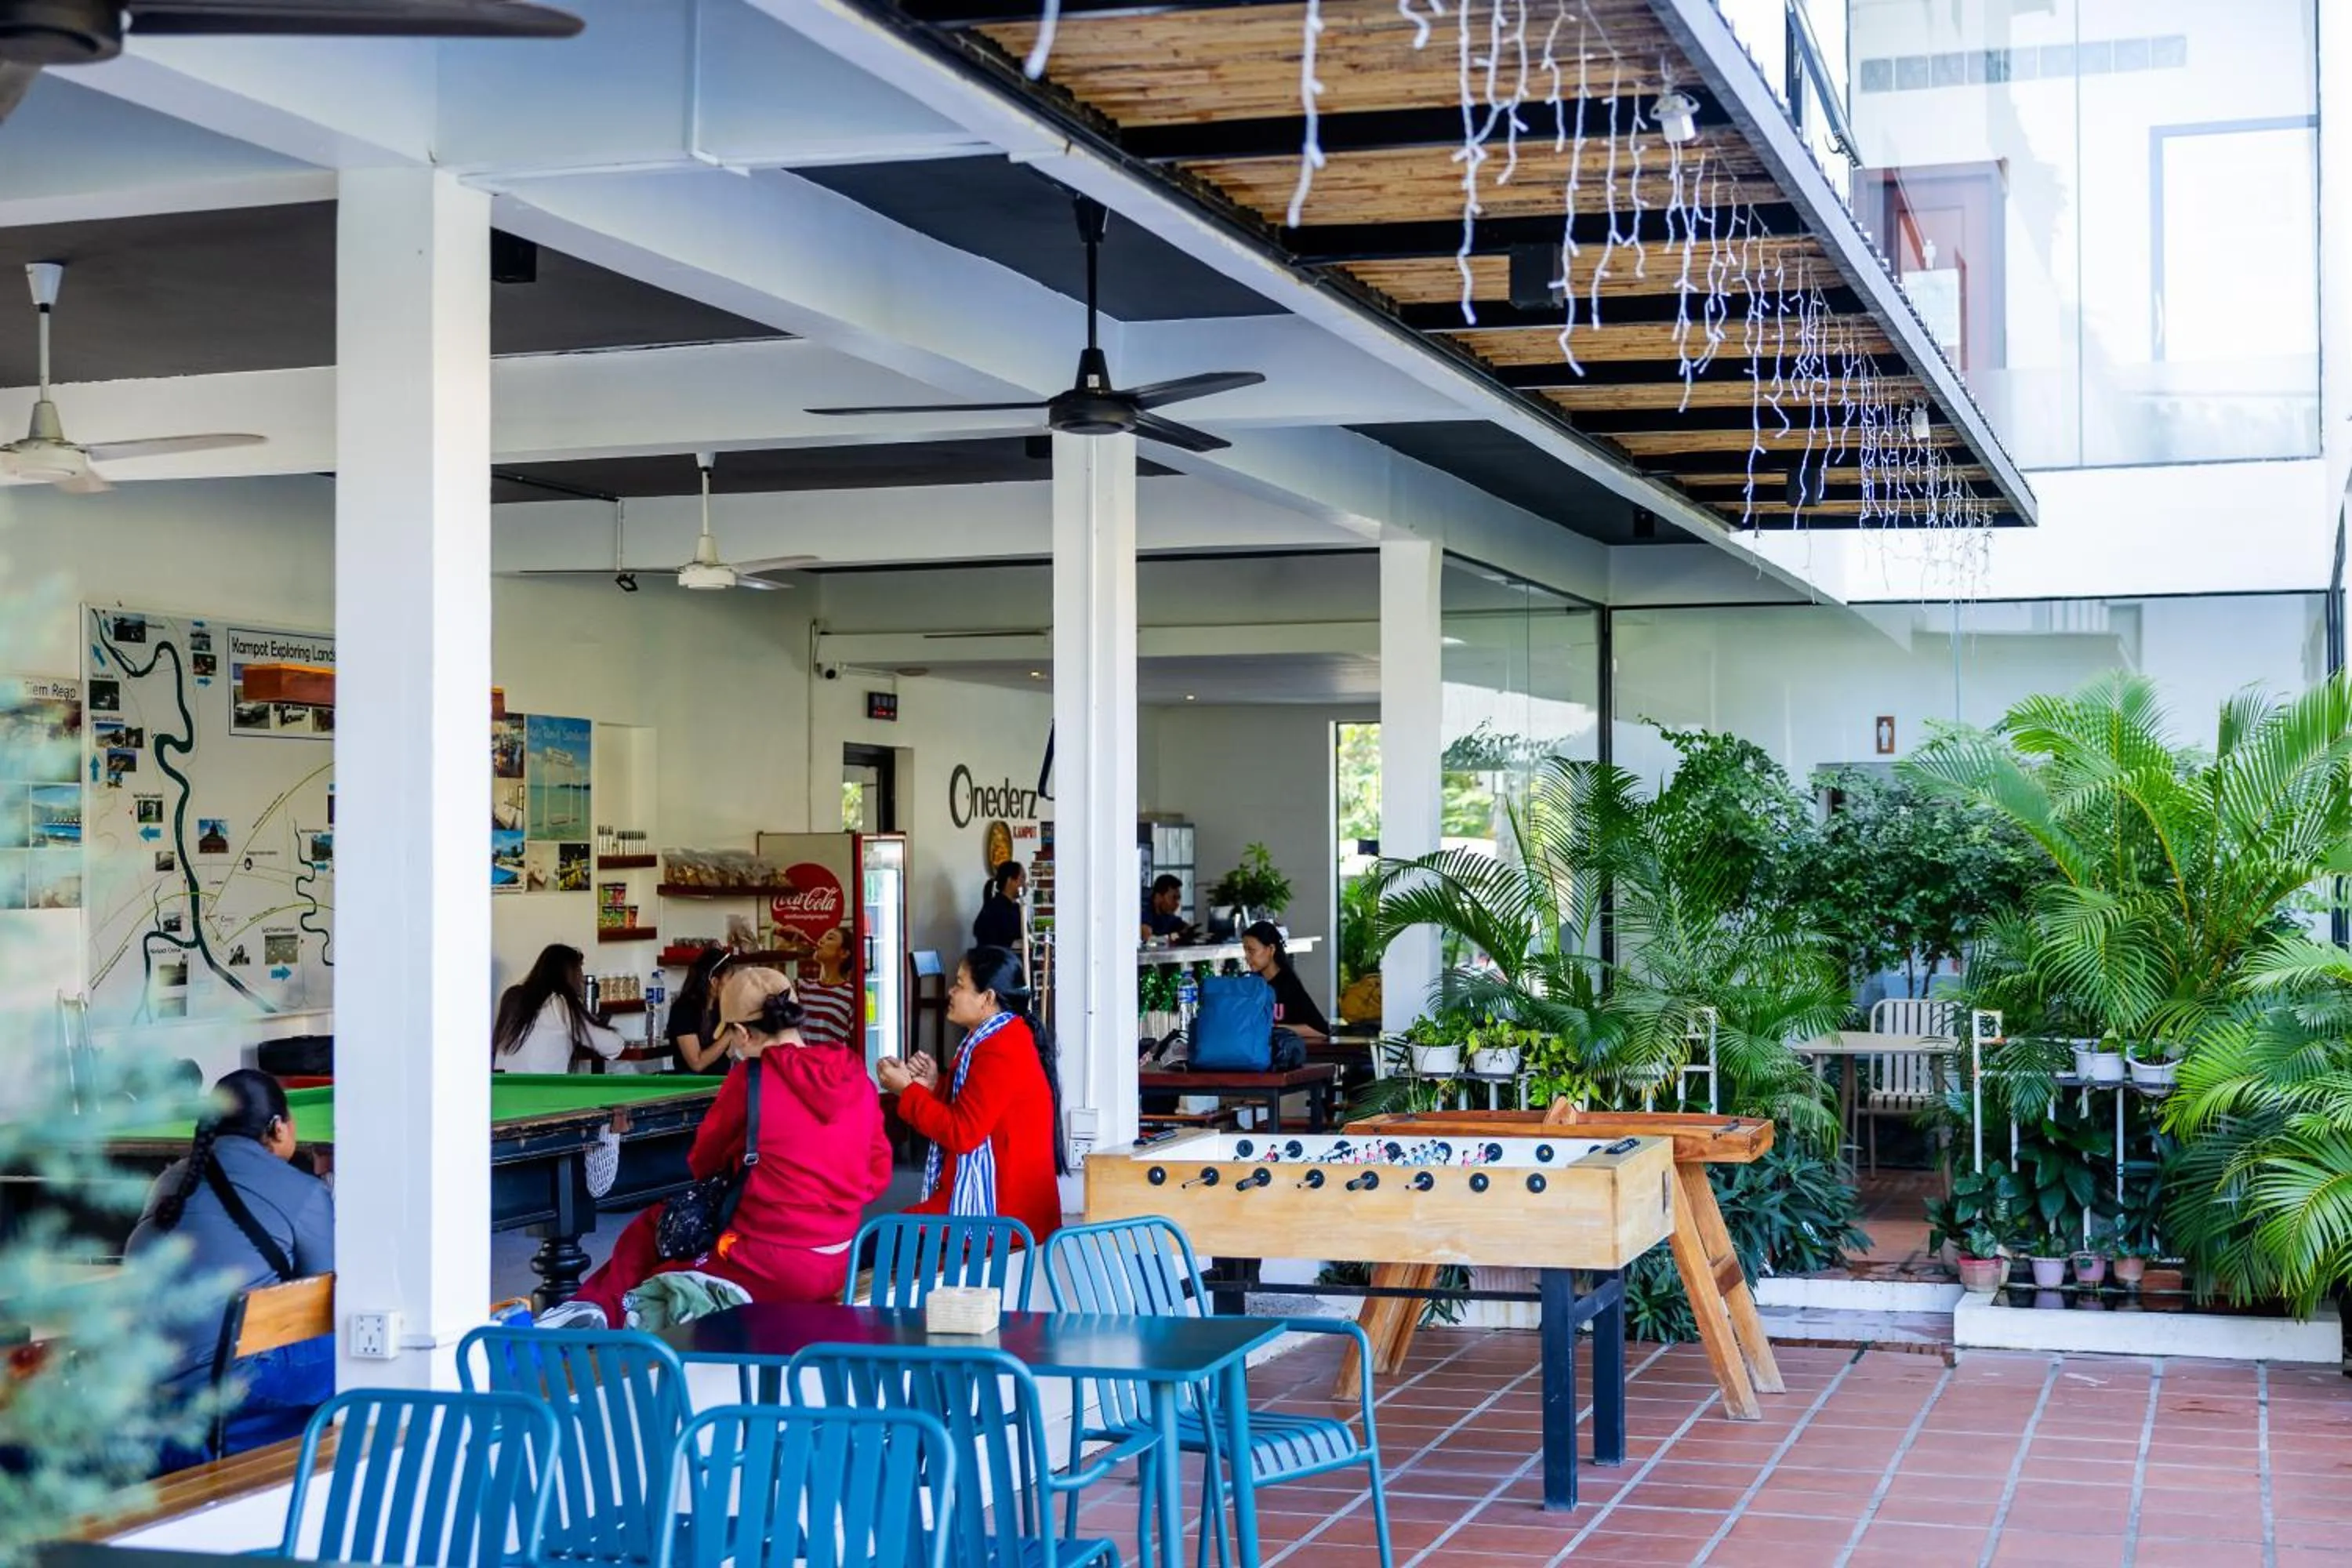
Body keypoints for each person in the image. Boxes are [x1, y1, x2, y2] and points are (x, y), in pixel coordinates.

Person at [555, 967, 895, 1327]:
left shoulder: (750, 1079)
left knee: (657, 1226)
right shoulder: (854, 1073)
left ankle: (603, 1307)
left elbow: (704, 1162)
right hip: (839, 1255)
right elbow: (877, 1176)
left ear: (743, 1033)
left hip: (765, 1262)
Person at [127, 1069, 333, 1468]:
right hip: (230, 1384)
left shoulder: (167, 1182)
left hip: (152, 1379)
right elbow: (326, 1299)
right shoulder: (304, 1192)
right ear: (278, 1128)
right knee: (366, 1347)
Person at [878, 946, 1066, 1246]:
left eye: (960, 985)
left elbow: (963, 1133)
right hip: (1010, 1211)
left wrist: (907, 1091)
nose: (951, 992)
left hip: (1000, 1216)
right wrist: (934, 1087)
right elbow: (979, 1112)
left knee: (879, 1241)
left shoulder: (1000, 1049)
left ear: (988, 998)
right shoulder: (1000, 1037)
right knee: (883, 1239)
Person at [492, 942, 623, 1073]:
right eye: (579, 970)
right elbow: (613, 1045)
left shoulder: (512, 997)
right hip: (542, 1090)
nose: (582, 978)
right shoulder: (561, 1003)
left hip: (502, 1088)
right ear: (570, 974)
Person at [1243, 920, 1330, 1037]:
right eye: (1245, 951)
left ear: (1271, 949)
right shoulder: (1251, 986)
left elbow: (1320, 1030)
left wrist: (1277, 1029)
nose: (1246, 957)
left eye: (1251, 951)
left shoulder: (1289, 986)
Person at [666, 948, 733, 1073]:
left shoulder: (723, 1008)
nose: (733, 987)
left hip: (720, 1082)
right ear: (714, 982)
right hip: (692, 1086)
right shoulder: (683, 1010)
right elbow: (697, 1064)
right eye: (730, 981)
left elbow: (728, 1055)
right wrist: (730, 1034)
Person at [797, 925, 860, 1052]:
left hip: (830, 1069)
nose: (821, 941)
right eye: (822, 938)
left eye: (830, 938)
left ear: (844, 953)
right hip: (800, 1067)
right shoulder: (801, 986)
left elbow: (855, 1043)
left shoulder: (851, 995)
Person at [972, 860, 1025, 951]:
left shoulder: (1017, 908)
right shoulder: (993, 908)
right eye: (1022, 879)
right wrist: (1013, 943)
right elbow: (983, 936)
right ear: (1010, 881)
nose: (1025, 884)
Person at [1141, 873, 1195, 942]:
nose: (1177, 904)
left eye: (1178, 899)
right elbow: (1148, 938)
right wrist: (1172, 937)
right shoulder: (1144, 908)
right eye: (1174, 898)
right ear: (1159, 897)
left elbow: (1183, 926)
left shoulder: (1166, 914)